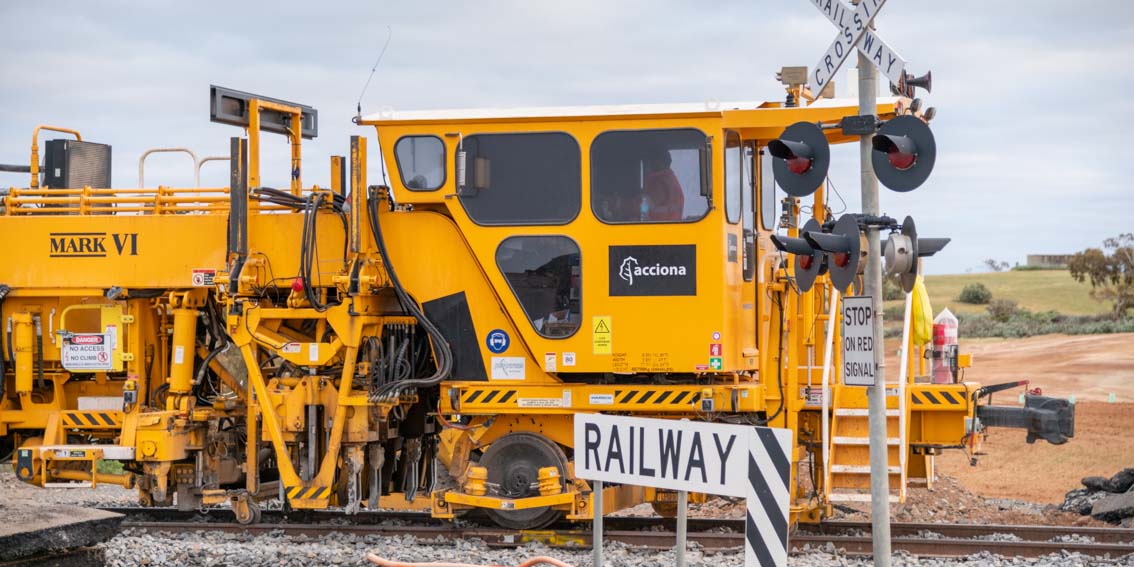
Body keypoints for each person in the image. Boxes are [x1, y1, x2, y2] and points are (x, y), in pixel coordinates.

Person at [642, 148, 684, 221]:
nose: (650, 163)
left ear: (660, 161)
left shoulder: (658, 182)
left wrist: (622, 205)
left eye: (652, 160)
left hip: (658, 228)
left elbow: (643, 206)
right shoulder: (670, 180)